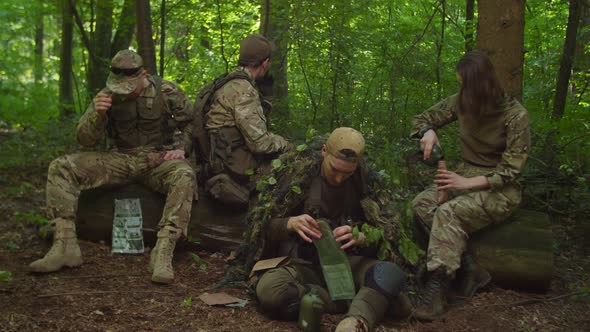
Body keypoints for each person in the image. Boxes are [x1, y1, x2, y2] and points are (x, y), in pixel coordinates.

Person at [29, 50, 195, 285]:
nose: (122, 92)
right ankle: (64, 245)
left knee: (185, 174)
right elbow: (85, 140)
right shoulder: (106, 96)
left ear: (143, 75)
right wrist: (97, 115)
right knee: (62, 166)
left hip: (158, 160)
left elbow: (191, 123)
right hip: (121, 159)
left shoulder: (167, 91)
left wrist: (182, 148)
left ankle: (163, 251)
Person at [411, 50, 530, 320]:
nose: (462, 90)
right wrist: (428, 132)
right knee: (421, 205)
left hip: (499, 189)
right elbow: (420, 119)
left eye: (466, 84)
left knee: (448, 212)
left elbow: (511, 171)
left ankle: (437, 289)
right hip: (465, 174)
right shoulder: (461, 101)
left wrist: (466, 183)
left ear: (483, 84)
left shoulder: (515, 115)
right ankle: (469, 268)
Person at [254, 128, 406, 332]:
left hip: (349, 264)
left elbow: (388, 232)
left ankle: (354, 321)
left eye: (347, 173)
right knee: (272, 291)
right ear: (324, 151)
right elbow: (260, 226)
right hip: (303, 265)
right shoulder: (297, 175)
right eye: (334, 169)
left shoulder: (366, 181)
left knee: (389, 273)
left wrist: (362, 236)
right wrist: (289, 223)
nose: (339, 179)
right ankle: (364, 300)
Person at [203, 34, 290, 207]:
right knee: (293, 167)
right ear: (265, 63)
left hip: (219, 158)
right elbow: (260, 143)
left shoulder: (227, 82)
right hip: (232, 167)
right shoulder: (244, 90)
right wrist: (286, 144)